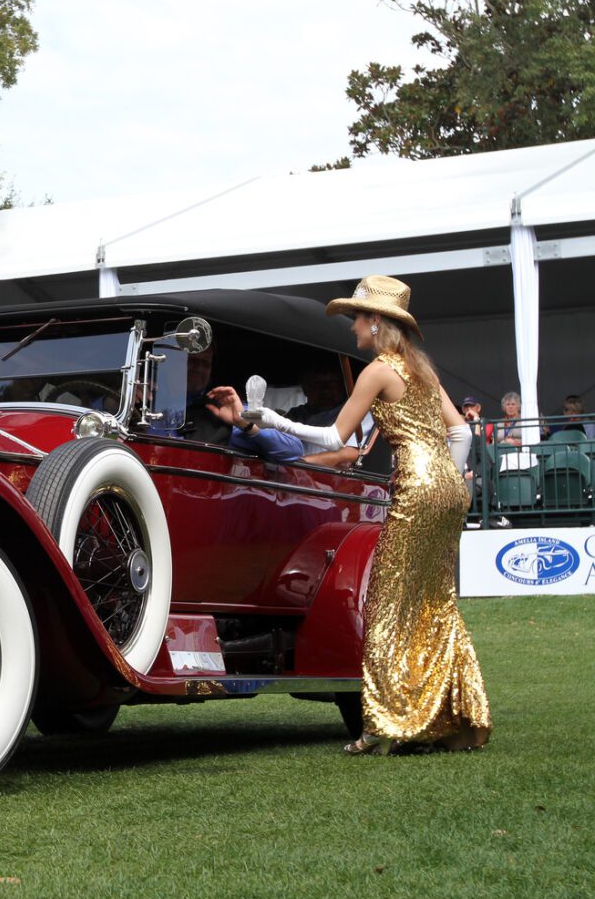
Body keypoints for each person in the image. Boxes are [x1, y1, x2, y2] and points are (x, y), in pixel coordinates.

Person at [208, 275, 490, 754]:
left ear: (376, 322)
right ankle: (447, 717)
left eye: (357, 318)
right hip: (446, 490)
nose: (353, 328)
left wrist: (270, 420)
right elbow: (460, 433)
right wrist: (446, 476)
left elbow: (336, 438)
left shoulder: (379, 369)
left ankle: (388, 725)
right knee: (434, 601)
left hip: (418, 488)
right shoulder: (421, 369)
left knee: (386, 603)